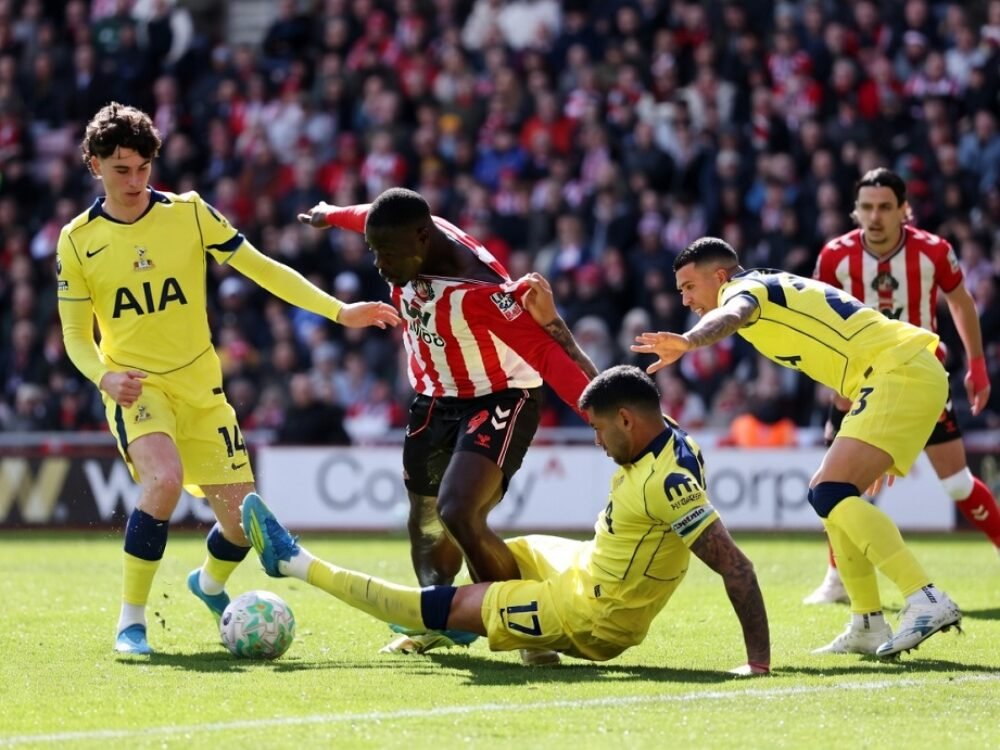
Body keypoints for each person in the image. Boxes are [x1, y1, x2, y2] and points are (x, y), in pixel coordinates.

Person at [56, 103, 400, 655]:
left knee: (241, 524)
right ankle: (131, 622)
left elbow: (261, 267)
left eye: (143, 167)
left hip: (202, 388)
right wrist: (104, 376)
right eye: (120, 169)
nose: (134, 181)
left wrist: (341, 311)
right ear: (94, 164)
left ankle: (208, 584)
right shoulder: (76, 241)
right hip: (139, 389)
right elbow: (75, 335)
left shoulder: (189, 213)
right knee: (163, 481)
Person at [240, 364, 771, 674]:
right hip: (585, 566)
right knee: (501, 546)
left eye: (598, 430)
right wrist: (557, 326)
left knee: (437, 604)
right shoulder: (670, 433)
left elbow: (736, 567)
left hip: (596, 616)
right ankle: (473, 628)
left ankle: (294, 563)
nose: (596, 441)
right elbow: (611, 385)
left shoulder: (667, 484)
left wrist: (758, 666)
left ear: (627, 421)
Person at [298, 189, 597, 660]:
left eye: (388, 254)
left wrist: (598, 414)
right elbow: (368, 218)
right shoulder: (411, 230)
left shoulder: (478, 289)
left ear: (422, 237)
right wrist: (329, 214)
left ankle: (528, 633)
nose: (379, 265)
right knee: (426, 522)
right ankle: (438, 620)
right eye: (375, 251)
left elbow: (544, 354)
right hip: (435, 396)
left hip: (501, 393)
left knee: (459, 511)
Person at [632, 237, 962, 658]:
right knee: (827, 491)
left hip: (897, 373)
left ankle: (924, 596)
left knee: (830, 492)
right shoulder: (768, 282)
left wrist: (691, 341)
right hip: (894, 375)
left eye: (689, 286)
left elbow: (735, 312)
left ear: (719, 276)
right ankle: (866, 621)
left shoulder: (740, 290)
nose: (686, 298)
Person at [805, 167, 1000, 605]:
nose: (875, 216)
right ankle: (836, 578)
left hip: (919, 380)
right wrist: (834, 378)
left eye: (885, 207)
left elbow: (961, 302)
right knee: (835, 485)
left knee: (955, 485)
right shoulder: (835, 257)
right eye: (867, 207)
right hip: (859, 384)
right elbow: (819, 322)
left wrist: (976, 365)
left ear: (904, 211)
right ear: (855, 211)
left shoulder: (933, 252)